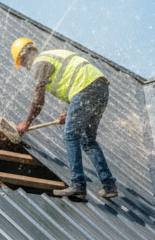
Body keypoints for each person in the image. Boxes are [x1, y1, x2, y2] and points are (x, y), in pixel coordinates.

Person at [11, 37, 117, 201]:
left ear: (24, 58)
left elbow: (38, 100)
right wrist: (69, 112)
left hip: (85, 89)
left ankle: (78, 185)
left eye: (22, 64)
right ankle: (109, 185)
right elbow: (74, 79)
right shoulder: (52, 55)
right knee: (88, 141)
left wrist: (27, 123)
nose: (25, 67)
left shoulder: (40, 63)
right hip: (101, 88)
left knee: (70, 135)